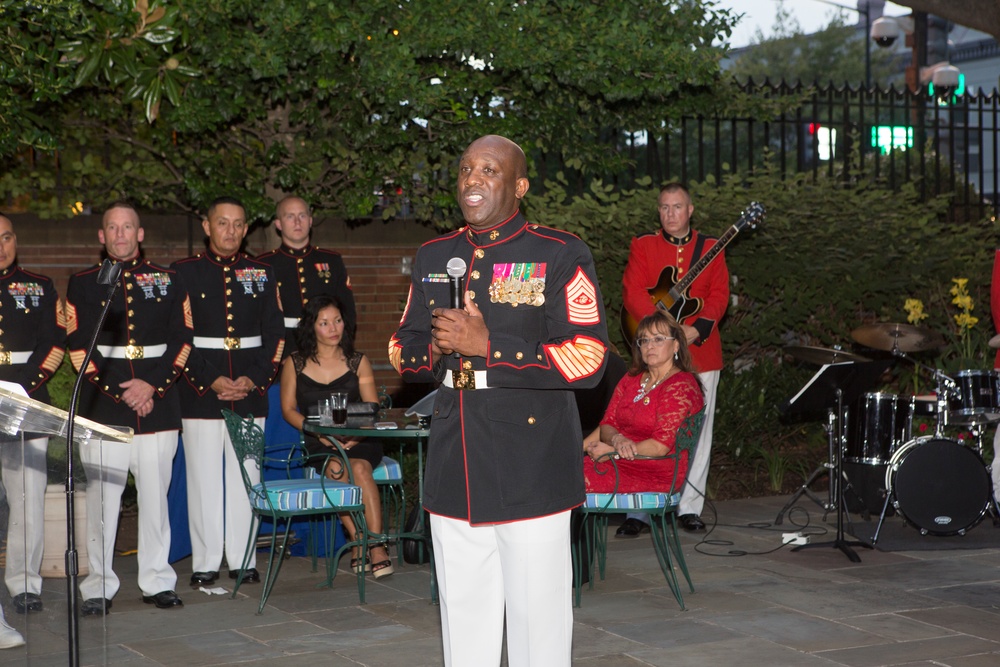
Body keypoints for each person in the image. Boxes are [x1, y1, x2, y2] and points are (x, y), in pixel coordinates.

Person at [389, 134, 609, 667]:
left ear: (520, 185)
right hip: (454, 455)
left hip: (532, 460)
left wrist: (489, 346)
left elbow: (589, 357)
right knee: (463, 621)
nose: (473, 180)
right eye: (466, 169)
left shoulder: (558, 252)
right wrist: (442, 352)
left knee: (539, 625)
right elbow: (400, 347)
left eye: (489, 170)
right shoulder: (434, 255)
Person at [65, 201, 192, 615]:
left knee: (156, 498)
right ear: (101, 237)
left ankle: (156, 581)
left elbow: (182, 339)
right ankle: (98, 586)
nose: (120, 235)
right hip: (104, 407)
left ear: (141, 234)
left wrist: (151, 385)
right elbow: (78, 346)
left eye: (128, 227)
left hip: (158, 405)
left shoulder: (169, 280)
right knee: (102, 501)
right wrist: (120, 390)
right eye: (112, 228)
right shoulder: (83, 283)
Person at [171, 196, 285, 587]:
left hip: (250, 390)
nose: (231, 231)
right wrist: (210, 379)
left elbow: (276, 334)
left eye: (238, 224)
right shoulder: (183, 272)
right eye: (223, 223)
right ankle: (205, 562)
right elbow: (177, 336)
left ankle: (243, 558)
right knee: (202, 480)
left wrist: (254, 379)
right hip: (201, 391)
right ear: (206, 226)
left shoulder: (262, 272)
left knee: (246, 478)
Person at [619, 182, 729, 534]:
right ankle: (639, 511)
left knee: (698, 432)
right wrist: (661, 328)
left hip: (700, 350)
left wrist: (697, 328)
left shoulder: (711, 247)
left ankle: (688, 508)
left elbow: (719, 294)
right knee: (644, 425)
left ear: (690, 209)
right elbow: (633, 291)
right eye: (664, 207)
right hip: (653, 349)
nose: (670, 214)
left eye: (677, 207)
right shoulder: (644, 244)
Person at [279, 295, 392, 578]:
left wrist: (355, 437)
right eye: (324, 322)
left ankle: (377, 545)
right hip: (319, 440)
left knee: (360, 468)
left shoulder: (358, 361)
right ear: (312, 327)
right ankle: (357, 540)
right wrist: (318, 433)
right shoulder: (295, 363)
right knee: (337, 469)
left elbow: (371, 408)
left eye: (338, 320)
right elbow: (287, 410)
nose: (333, 328)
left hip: (360, 437)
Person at [0, 214, 63, 647]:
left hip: (26, 405)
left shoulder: (39, 286)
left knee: (28, 499)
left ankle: (25, 583)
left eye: (5, 237)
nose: (0, 245)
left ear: (16, 240)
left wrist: (23, 391)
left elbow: (54, 341)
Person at [583, 312, 705, 493]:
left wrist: (611, 453)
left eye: (658, 339)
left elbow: (660, 447)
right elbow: (608, 423)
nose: (650, 346)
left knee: (569, 483)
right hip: (618, 461)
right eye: (644, 340)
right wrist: (616, 439)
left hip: (653, 471)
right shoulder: (632, 378)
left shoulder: (681, 385)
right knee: (562, 471)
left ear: (676, 345)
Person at [257, 195, 356, 355]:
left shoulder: (332, 261)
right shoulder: (264, 265)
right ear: (278, 224)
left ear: (310, 221)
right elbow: (257, 318)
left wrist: (335, 350)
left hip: (325, 351)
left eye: (302, 215)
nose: (297, 222)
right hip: (281, 352)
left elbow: (347, 313)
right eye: (290, 216)